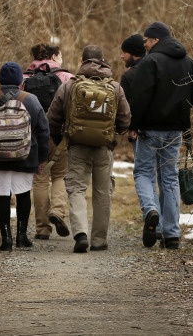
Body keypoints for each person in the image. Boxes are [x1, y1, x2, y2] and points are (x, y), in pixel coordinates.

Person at [127, 22, 193, 250]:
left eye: (147, 40)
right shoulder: (188, 61)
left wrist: (134, 125)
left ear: (156, 40)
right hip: (175, 131)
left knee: (144, 172)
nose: (144, 44)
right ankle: (171, 234)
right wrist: (180, 106)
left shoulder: (150, 62)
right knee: (169, 178)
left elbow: (139, 98)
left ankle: (152, 212)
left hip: (149, 129)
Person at [47, 45, 131, 253]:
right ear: (103, 61)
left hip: (76, 146)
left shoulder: (70, 85)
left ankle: (80, 235)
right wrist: (113, 133)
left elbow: (52, 118)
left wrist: (60, 138)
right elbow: (125, 119)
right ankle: (99, 241)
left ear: (82, 61)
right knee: (103, 193)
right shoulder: (115, 87)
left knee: (76, 189)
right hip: (104, 146)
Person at [0, 61, 49, 252]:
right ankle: (21, 236)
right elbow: (43, 130)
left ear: (0, 80)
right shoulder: (30, 99)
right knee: (23, 194)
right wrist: (42, 157)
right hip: (25, 155)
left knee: (2, 197)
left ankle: (5, 238)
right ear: (20, 80)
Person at [22, 42, 73, 240]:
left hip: (34, 136)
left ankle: (42, 229)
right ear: (53, 57)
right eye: (60, 56)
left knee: (40, 178)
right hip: (60, 135)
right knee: (60, 175)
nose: (61, 60)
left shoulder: (24, 78)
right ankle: (58, 212)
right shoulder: (67, 77)